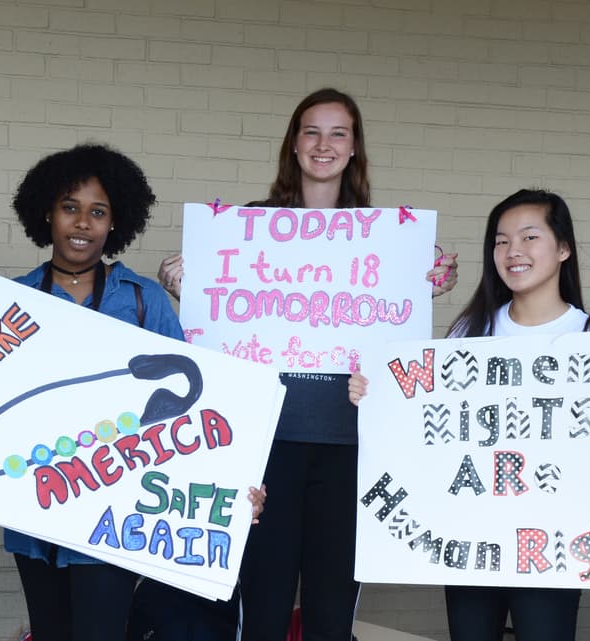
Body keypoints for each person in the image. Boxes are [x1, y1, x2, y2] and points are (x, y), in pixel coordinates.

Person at [0, 143, 264, 641]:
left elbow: (197, 401)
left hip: (111, 520)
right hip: (32, 518)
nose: (82, 223)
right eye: (70, 208)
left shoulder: (142, 301)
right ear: (47, 215)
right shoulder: (11, 301)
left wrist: (236, 480)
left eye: (97, 212)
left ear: (116, 221)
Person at [156, 88, 458, 641]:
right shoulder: (244, 229)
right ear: (293, 145)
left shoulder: (389, 239)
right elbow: (221, 319)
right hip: (262, 442)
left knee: (331, 612)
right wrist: (184, 286)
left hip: (351, 442)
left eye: (338, 132)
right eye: (312, 132)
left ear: (354, 148)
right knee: (263, 607)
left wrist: (428, 283)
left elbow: (393, 324)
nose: (324, 144)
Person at [348, 189, 590, 641]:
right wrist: (375, 395)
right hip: (471, 538)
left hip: (552, 543)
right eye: (501, 241)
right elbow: (424, 419)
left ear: (563, 249)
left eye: (529, 237)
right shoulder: (470, 330)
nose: (513, 251)